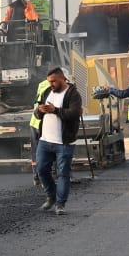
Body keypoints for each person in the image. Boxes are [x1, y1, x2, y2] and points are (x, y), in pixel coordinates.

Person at [33, 66, 82, 214]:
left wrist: (55, 110)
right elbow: (36, 113)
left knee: (63, 174)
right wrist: (39, 111)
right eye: (49, 82)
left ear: (62, 79)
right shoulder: (48, 92)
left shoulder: (73, 94)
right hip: (45, 140)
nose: (51, 84)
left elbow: (74, 114)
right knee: (41, 170)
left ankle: (60, 204)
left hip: (64, 143)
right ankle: (51, 197)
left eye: (54, 81)